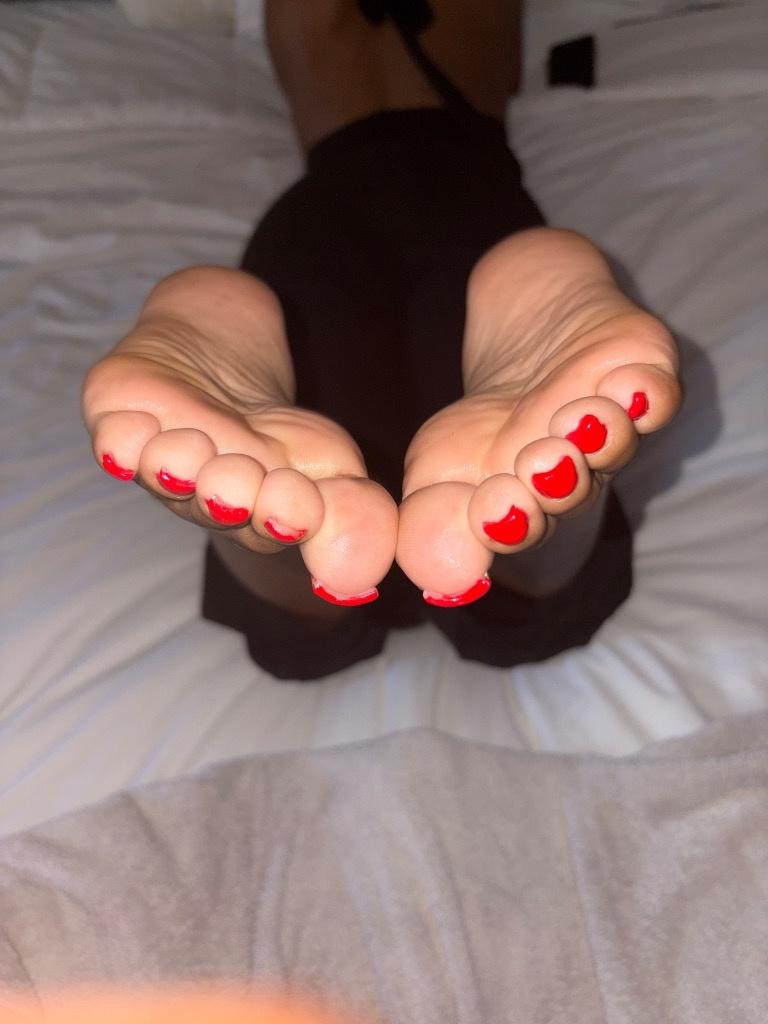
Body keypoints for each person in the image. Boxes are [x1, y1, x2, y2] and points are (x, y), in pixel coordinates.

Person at [80, 0, 681, 680]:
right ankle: (534, 343)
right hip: (469, 202)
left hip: (318, 226)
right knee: (503, 467)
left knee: (298, 462)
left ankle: (277, 521)